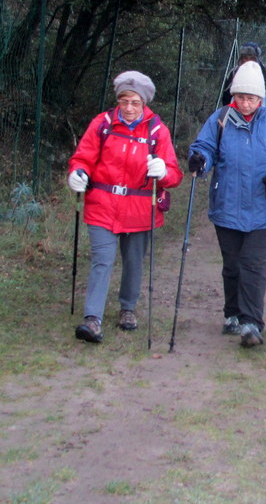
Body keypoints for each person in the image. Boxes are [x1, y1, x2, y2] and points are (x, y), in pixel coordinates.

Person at [188, 60, 266, 347]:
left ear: (261, 98)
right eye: (240, 96)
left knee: (252, 263)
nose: (245, 103)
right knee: (232, 264)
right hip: (227, 206)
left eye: (251, 97)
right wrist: (199, 160)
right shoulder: (220, 119)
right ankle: (232, 315)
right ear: (233, 95)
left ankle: (252, 324)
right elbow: (204, 148)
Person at [67, 71, 184, 344]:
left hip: (140, 208)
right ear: (118, 101)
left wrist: (162, 172)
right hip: (102, 204)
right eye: (124, 101)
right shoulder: (102, 124)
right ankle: (92, 319)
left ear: (144, 102)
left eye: (134, 102)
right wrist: (78, 172)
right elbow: (83, 157)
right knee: (102, 260)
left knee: (133, 261)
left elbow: (175, 175)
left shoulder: (157, 130)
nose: (129, 108)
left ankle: (127, 308)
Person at [220, 41, 266, 108]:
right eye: (245, 58)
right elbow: (226, 97)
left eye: (252, 58)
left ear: (257, 59)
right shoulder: (233, 73)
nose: (248, 61)